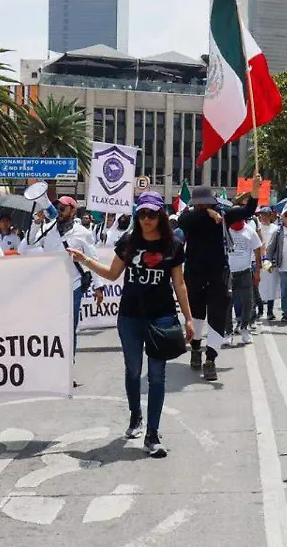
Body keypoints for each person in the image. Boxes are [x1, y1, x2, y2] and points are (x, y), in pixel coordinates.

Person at [68, 191, 194, 458]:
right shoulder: (128, 242)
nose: (147, 219)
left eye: (152, 214)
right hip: (130, 316)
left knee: (158, 376)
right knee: (133, 370)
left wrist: (189, 318)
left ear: (160, 215)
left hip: (161, 316)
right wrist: (85, 260)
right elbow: (113, 274)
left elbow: (179, 283)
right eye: (143, 214)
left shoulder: (173, 245)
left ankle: (152, 434)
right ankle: (135, 414)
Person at [177, 179, 259, 381]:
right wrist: (207, 213)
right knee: (196, 317)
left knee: (217, 317)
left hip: (217, 275)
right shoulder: (189, 217)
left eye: (205, 203)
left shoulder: (224, 216)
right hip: (194, 274)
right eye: (199, 204)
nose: (201, 206)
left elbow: (247, 211)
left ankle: (211, 358)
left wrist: (255, 193)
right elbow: (183, 222)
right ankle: (196, 348)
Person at [26, 196, 105, 363]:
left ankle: (68, 367)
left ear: (73, 211)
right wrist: (36, 224)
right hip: (51, 288)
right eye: (57, 208)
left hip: (73, 287)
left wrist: (98, 286)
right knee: (50, 329)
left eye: (63, 209)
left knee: (69, 329)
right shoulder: (48, 229)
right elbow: (26, 247)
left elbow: (93, 260)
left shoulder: (83, 233)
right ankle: (53, 366)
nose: (59, 212)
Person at [227, 211, 263, 345]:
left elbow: (257, 250)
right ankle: (228, 332)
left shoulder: (249, 231)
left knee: (248, 302)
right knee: (227, 304)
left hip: (245, 272)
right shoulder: (226, 230)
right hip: (228, 273)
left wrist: (258, 272)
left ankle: (245, 328)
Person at [255, 206, 279, 321]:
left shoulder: (275, 229)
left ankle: (270, 311)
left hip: (269, 260)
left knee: (271, 286)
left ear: (270, 216)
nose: (263, 216)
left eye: (265, 214)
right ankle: (259, 310)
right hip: (258, 259)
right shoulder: (256, 228)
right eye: (262, 214)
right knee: (258, 285)